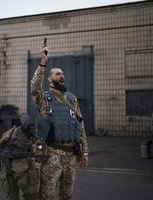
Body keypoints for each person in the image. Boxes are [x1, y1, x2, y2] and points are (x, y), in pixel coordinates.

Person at [30, 45, 89, 200]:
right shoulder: (44, 99)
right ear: (50, 79)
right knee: (47, 195)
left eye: (62, 74)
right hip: (52, 156)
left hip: (70, 156)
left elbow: (80, 125)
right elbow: (34, 88)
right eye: (57, 74)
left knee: (67, 195)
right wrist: (43, 62)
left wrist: (84, 151)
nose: (61, 76)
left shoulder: (72, 98)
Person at [0, 113, 40, 200]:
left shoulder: (11, 132)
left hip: (7, 167)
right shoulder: (25, 134)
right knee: (32, 195)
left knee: (11, 196)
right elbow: (38, 155)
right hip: (22, 167)